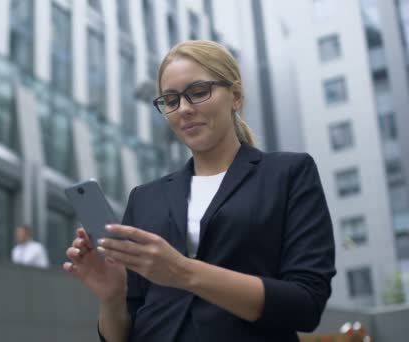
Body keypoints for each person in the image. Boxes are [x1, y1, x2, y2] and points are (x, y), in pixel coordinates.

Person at [63, 40, 336, 341]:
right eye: (170, 100)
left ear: (236, 95)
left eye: (198, 92)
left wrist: (183, 272)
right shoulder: (144, 198)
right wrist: (112, 297)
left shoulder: (288, 173)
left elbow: (306, 304)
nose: (184, 109)